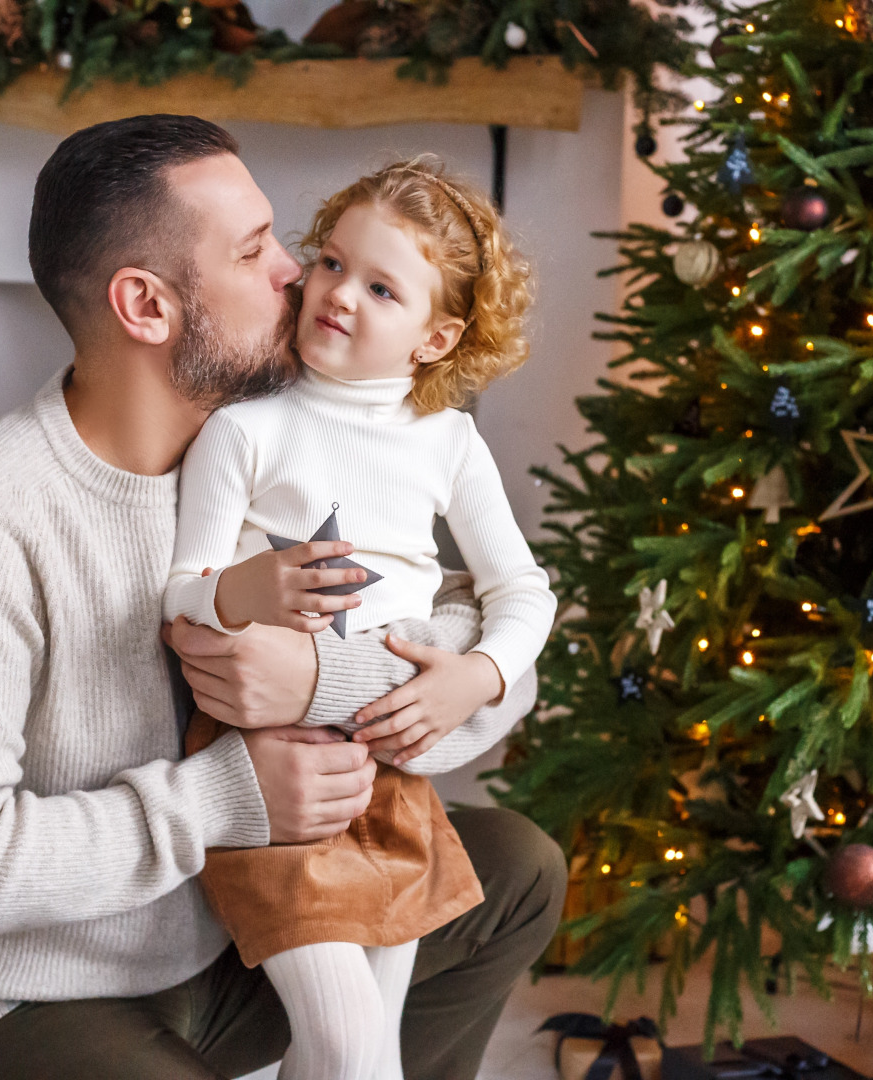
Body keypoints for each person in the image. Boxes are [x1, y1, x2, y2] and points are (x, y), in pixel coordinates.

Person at [0, 113, 565, 1080]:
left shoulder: (273, 452)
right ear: (146, 306)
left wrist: (326, 678)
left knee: (514, 870)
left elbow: (492, 646)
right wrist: (229, 797)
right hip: (23, 1000)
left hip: (220, 946)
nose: (298, 273)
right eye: (255, 249)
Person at [164, 158, 556, 1080]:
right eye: (333, 263)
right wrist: (242, 592)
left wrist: (477, 676)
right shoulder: (247, 429)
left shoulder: (448, 442)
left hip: (391, 780)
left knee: (363, 1051)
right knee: (346, 1043)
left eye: (383, 288)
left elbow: (523, 592)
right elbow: (183, 586)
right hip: (270, 775)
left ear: (436, 338)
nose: (339, 294)